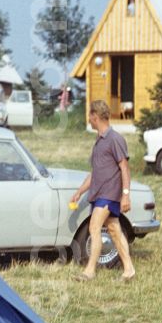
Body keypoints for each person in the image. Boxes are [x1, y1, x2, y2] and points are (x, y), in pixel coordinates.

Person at [70, 100, 136, 281]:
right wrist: (80, 191)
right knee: (114, 229)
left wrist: (125, 196)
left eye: (90, 116)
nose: (89, 120)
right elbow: (95, 172)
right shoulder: (99, 141)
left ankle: (89, 271)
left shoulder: (115, 139)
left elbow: (125, 168)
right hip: (99, 193)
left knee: (94, 226)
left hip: (109, 193)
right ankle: (129, 270)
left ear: (95, 116)